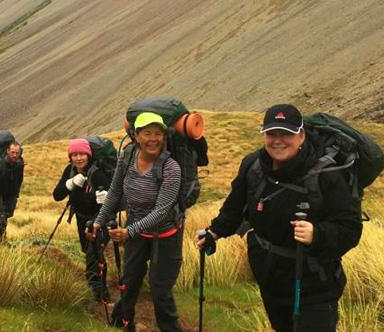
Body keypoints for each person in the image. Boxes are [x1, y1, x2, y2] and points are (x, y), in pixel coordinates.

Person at [196, 104, 362, 332]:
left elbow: (350, 228)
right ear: (264, 134)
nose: (278, 140)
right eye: (272, 134)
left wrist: (317, 234)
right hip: (270, 278)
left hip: (314, 285)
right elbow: (234, 208)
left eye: (286, 134)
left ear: (301, 136)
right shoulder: (252, 166)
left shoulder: (327, 174)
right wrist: (214, 232)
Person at [89, 112, 183, 332]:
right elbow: (115, 190)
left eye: (158, 133)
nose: (153, 139)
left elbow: (162, 211)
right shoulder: (128, 156)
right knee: (129, 282)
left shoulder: (171, 167)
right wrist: (98, 221)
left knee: (160, 290)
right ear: (136, 135)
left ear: (164, 136)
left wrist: (129, 232)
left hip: (166, 235)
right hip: (137, 232)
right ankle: (121, 324)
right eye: (147, 133)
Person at [52, 138, 112, 302]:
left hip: (101, 220)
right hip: (81, 219)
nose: (79, 158)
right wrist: (70, 184)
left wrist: (102, 206)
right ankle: (99, 291)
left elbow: (111, 200)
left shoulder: (98, 173)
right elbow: (57, 195)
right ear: (70, 157)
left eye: (82, 154)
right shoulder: (70, 170)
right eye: (75, 155)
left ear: (89, 155)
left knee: (94, 256)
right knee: (91, 254)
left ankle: (98, 293)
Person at [0, 141, 24, 245]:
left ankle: (1, 241)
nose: (15, 155)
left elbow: (20, 180)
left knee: (4, 220)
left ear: (20, 153)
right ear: (7, 151)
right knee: (0, 221)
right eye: (12, 152)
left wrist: (16, 194)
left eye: (17, 153)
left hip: (8, 197)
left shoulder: (19, 165)